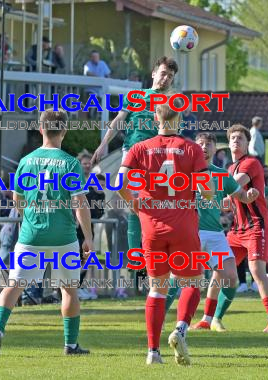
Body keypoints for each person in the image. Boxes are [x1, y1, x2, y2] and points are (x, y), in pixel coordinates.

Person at [0, 109, 93, 357]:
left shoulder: (26, 161)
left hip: (31, 234)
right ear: (64, 131)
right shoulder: (70, 162)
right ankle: (70, 344)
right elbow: (80, 203)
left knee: (13, 286)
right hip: (62, 236)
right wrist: (88, 237)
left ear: (41, 129)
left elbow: (17, 198)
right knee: (68, 288)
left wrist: (27, 217)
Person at [116, 100, 214, 365]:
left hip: (152, 228)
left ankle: (152, 353)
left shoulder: (139, 148)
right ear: (179, 118)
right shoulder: (192, 148)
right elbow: (207, 191)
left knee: (157, 290)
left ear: (155, 119)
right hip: (183, 226)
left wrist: (133, 202)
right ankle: (181, 329)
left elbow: (119, 183)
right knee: (193, 282)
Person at [91, 56, 179, 280]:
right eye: (163, 73)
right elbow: (119, 120)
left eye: (170, 76)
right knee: (132, 202)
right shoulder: (135, 97)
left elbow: (173, 131)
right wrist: (103, 145)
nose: (166, 78)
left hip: (157, 156)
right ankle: (136, 257)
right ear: (153, 74)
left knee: (157, 207)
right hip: (131, 152)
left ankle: (156, 255)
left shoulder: (172, 102)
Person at [177, 132, 259, 333]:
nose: (204, 147)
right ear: (194, 148)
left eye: (209, 144)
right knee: (178, 281)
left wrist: (249, 196)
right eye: (201, 144)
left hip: (215, 235)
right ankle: (163, 321)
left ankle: (215, 319)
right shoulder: (185, 172)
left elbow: (240, 195)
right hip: (191, 234)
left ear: (215, 148)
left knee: (231, 277)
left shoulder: (222, 175)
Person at [222, 124, 268, 332]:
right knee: (220, 270)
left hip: (257, 225)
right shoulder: (229, 169)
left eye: (240, 138)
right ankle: (209, 318)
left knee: (256, 270)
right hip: (237, 229)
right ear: (228, 143)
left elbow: (234, 184)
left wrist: (211, 191)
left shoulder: (251, 163)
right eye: (233, 138)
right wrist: (227, 201)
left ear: (248, 144)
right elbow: (231, 198)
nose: (236, 141)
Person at [76, 150, 105, 300]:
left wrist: (99, 193)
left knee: (86, 258)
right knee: (74, 259)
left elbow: (99, 211)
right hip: (74, 229)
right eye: (84, 163)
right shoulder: (75, 181)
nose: (87, 166)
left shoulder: (95, 184)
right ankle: (72, 288)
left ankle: (80, 286)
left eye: (89, 163)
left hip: (88, 228)